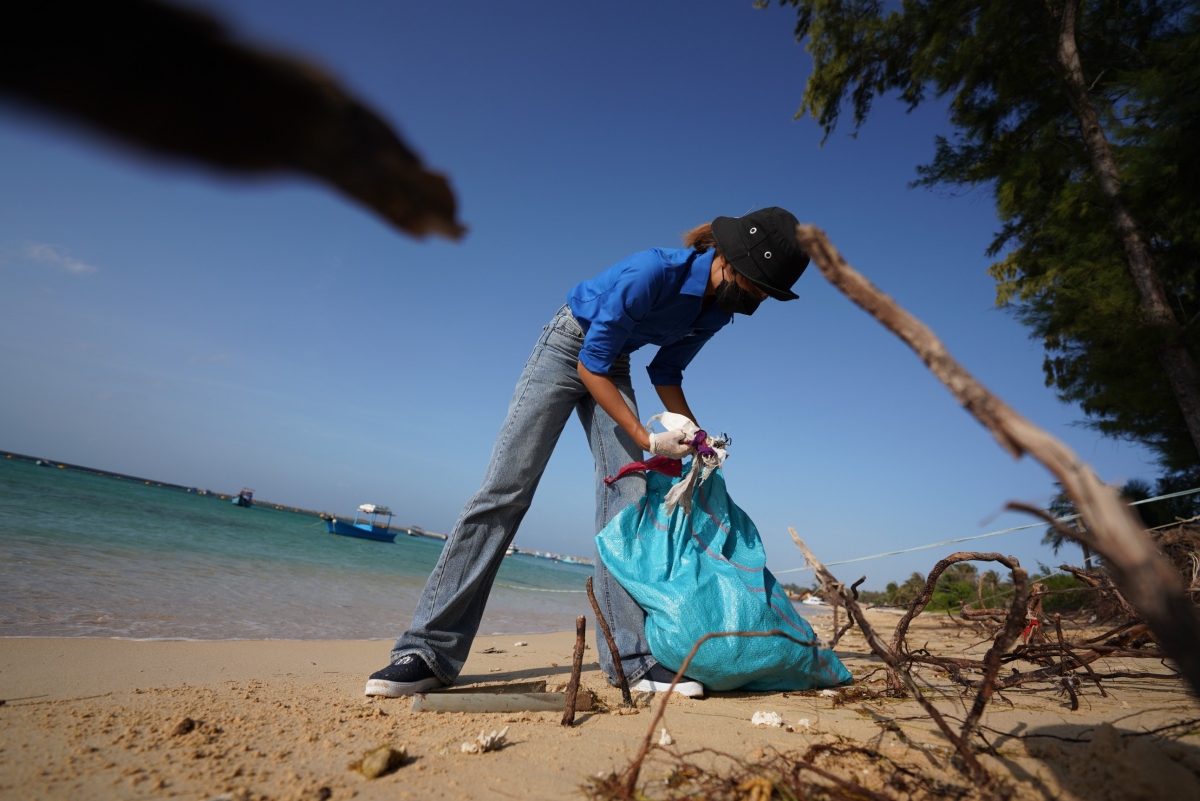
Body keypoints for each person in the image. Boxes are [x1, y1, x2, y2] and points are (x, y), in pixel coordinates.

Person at [365, 207, 809, 699]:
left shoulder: (719, 309)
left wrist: (699, 437)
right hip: (568, 346)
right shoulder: (653, 272)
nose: (762, 298)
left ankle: (630, 659)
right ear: (733, 261)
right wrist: (644, 437)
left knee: (631, 499)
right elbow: (588, 363)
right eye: (760, 286)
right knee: (507, 489)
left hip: (613, 361)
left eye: (770, 292)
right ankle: (427, 649)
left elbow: (667, 372)